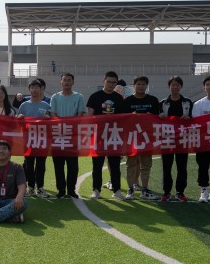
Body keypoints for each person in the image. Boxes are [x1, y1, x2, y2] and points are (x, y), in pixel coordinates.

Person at [86, 71, 125, 200]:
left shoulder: (119, 98)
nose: (111, 84)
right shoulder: (94, 96)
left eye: (114, 82)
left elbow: (123, 118)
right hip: (98, 135)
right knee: (97, 165)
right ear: (104, 81)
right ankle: (96, 190)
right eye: (109, 82)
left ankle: (117, 190)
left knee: (115, 165)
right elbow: (90, 116)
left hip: (114, 135)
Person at [121, 76, 161, 201]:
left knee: (146, 164)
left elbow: (158, 118)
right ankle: (130, 189)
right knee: (131, 164)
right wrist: (130, 116)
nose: (141, 86)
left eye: (143, 84)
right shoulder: (127, 101)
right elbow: (122, 120)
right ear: (134, 86)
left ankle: (145, 189)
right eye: (138, 84)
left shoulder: (153, 100)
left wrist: (151, 116)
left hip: (147, 137)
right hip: (132, 137)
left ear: (147, 86)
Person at [50, 73, 85, 199]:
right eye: (64, 80)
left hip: (73, 135)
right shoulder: (55, 97)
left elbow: (80, 114)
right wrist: (62, 124)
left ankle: (71, 190)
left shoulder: (79, 96)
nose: (66, 82)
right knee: (58, 165)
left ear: (73, 82)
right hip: (57, 134)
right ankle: (61, 190)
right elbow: (52, 114)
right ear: (61, 82)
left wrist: (70, 124)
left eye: (69, 80)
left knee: (73, 166)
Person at [158, 76, 193, 202]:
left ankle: (180, 192)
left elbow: (194, 118)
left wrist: (189, 118)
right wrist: (159, 115)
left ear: (181, 86)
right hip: (167, 138)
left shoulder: (187, 102)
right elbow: (157, 120)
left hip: (183, 139)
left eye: (177, 85)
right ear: (169, 87)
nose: (175, 87)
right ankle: (166, 192)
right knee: (166, 167)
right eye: (173, 85)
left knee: (182, 167)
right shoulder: (163, 103)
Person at [17, 79, 51, 198]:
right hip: (28, 139)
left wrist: (48, 118)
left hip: (42, 139)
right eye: (32, 87)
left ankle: (40, 187)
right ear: (29, 90)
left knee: (41, 164)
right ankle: (30, 187)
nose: (34, 90)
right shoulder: (24, 105)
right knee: (29, 164)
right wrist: (20, 118)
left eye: (37, 87)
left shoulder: (46, 105)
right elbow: (18, 122)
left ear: (41, 89)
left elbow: (51, 123)